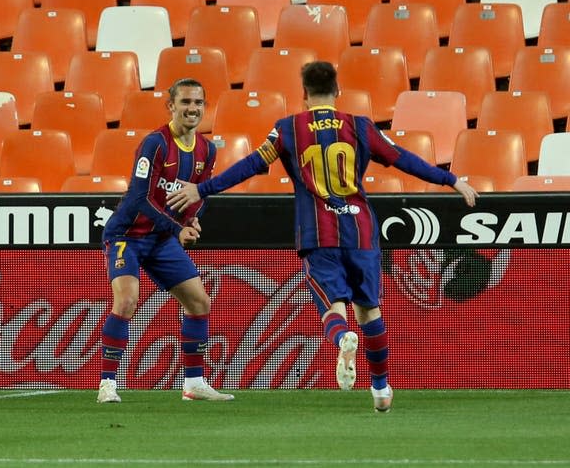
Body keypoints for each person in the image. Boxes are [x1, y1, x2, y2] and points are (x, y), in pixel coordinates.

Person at [167, 61, 479, 412]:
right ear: (337, 92)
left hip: (320, 233)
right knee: (370, 311)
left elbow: (251, 165)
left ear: (303, 95)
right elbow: (402, 158)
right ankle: (380, 388)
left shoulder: (288, 129)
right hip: (360, 231)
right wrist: (450, 180)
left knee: (334, 309)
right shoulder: (359, 126)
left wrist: (203, 189)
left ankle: (342, 339)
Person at [97, 77, 234, 404]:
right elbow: (140, 198)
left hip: (161, 238)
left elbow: (198, 193)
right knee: (128, 300)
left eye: (198, 103)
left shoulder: (206, 149)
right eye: (185, 102)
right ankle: (107, 384)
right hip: (127, 235)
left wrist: (191, 219)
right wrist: (178, 229)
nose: (192, 109)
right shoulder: (155, 144)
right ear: (171, 106)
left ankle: (194, 383)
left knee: (199, 302)